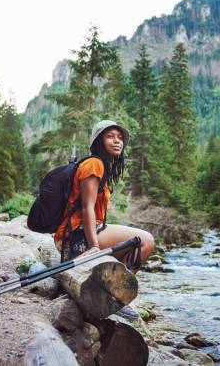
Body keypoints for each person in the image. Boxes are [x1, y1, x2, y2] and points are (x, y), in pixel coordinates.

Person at [54, 119, 155, 319]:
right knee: (146, 241)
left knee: (138, 242)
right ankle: (117, 298)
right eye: (110, 136)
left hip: (80, 233)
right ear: (98, 142)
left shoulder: (101, 166)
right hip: (78, 237)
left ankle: (108, 294)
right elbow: (86, 207)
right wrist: (93, 246)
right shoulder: (94, 164)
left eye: (120, 138)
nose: (117, 141)